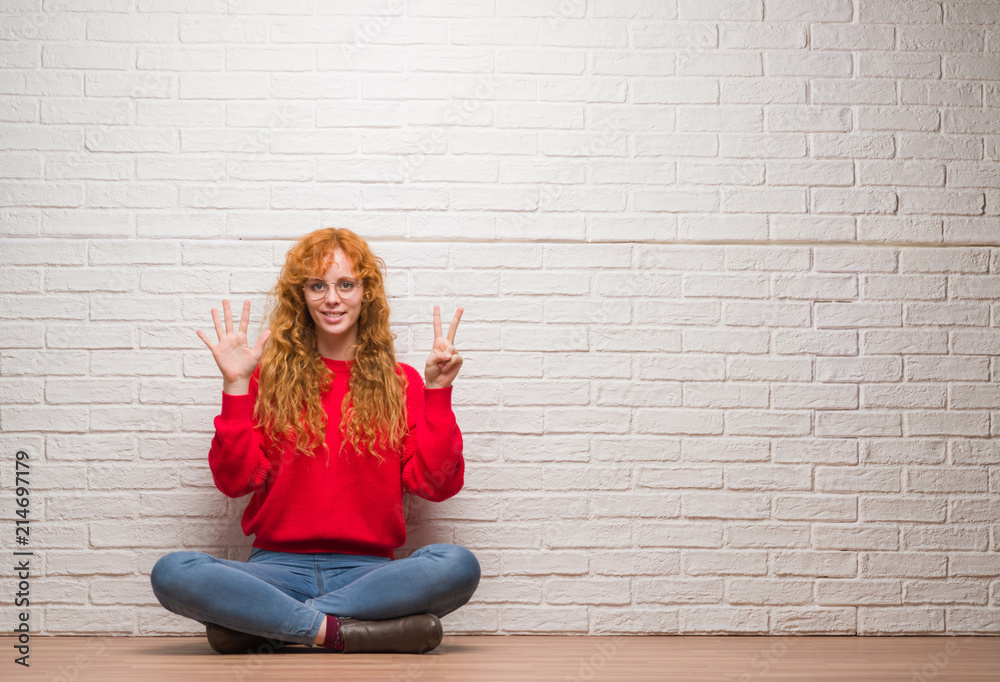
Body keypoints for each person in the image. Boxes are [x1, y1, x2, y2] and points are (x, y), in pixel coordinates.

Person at [149, 228, 480, 655]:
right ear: (301, 296)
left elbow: (437, 484)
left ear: (366, 293)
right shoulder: (266, 380)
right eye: (317, 285)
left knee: (457, 564)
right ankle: (341, 631)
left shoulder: (403, 383)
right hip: (275, 571)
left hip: (369, 575)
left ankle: (270, 623)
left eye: (346, 284)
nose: (332, 298)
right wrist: (235, 386)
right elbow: (234, 481)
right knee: (174, 571)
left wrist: (437, 392)